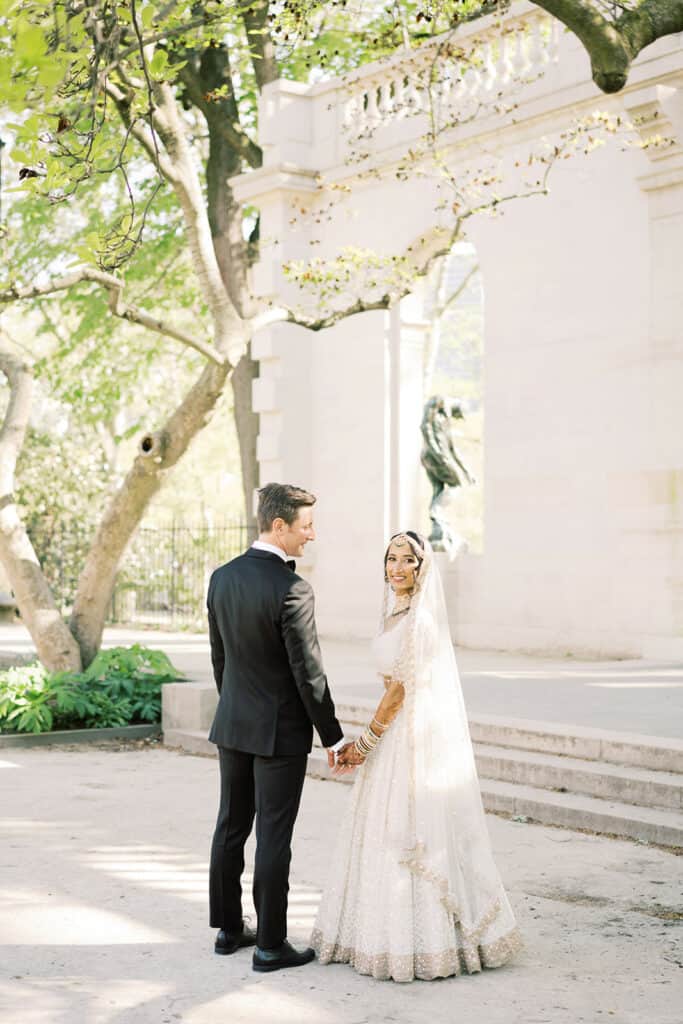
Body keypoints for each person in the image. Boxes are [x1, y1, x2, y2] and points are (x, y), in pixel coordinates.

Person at [311, 530, 522, 982]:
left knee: (410, 832)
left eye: (407, 560)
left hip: (409, 737)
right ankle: (379, 935)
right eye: (390, 559)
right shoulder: (392, 616)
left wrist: (363, 745)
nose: (396, 568)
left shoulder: (420, 622)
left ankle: (429, 943)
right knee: (383, 831)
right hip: (392, 735)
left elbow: (399, 692)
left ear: (422, 568)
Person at [207, 482, 344, 973]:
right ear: (279, 525)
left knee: (231, 825)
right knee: (272, 836)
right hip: (279, 733)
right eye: (306, 526)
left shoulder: (221, 578)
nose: (312, 534)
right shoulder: (293, 589)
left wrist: (237, 708)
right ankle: (269, 945)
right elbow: (309, 675)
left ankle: (228, 930)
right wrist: (334, 736)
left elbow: (220, 660)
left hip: (234, 723)